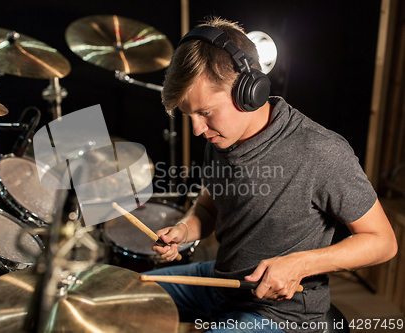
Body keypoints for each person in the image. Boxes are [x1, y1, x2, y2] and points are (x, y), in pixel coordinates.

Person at [148, 16, 398, 333]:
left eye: (205, 112)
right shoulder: (221, 137)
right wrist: (184, 231)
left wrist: (300, 263)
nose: (197, 129)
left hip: (281, 313)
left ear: (248, 91)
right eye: (190, 115)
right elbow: (211, 206)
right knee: (116, 293)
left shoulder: (321, 152)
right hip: (223, 283)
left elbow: (383, 242)